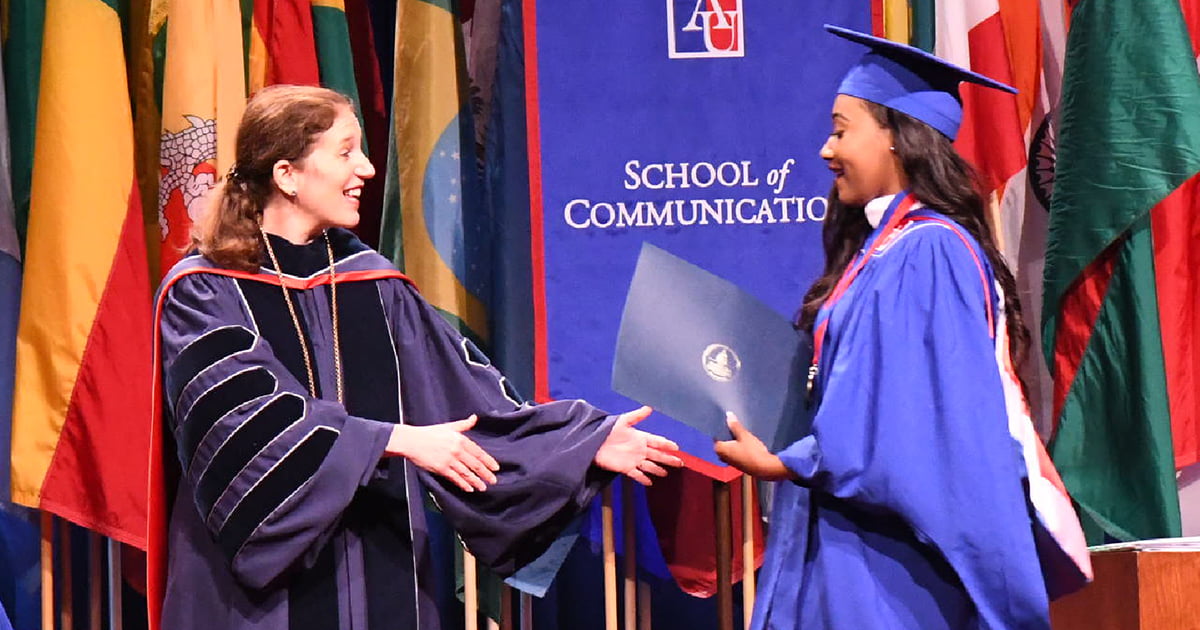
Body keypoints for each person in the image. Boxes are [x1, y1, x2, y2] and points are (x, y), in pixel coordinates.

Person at [147, 84, 683, 630]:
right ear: (287, 174)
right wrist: (392, 440)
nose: (368, 168)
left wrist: (582, 442)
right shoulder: (204, 293)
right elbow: (242, 424)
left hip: (384, 572)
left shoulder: (375, 285)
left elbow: (472, 407)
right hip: (254, 599)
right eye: (345, 151)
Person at [713, 26, 1091, 630]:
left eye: (841, 129)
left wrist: (788, 462)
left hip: (887, 570)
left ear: (897, 138)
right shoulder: (880, 253)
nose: (825, 150)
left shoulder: (930, 251)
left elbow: (916, 428)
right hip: (845, 545)